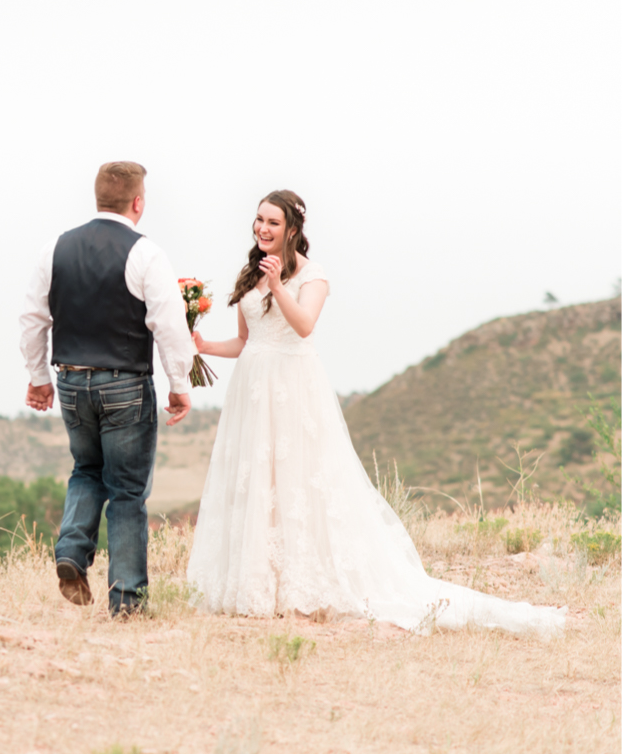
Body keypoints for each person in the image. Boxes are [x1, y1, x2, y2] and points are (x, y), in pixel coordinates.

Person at [188, 191, 564, 635]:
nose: (261, 229)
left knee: (297, 482)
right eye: (258, 220)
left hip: (293, 387)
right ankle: (257, 585)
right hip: (253, 389)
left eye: (272, 222)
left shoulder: (313, 276)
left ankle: (303, 590)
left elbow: (304, 325)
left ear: (292, 229)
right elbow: (248, 341)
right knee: (258, 482)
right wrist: (205, 346)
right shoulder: (251, 274)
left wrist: (276, 288)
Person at [19, 161, 197, 615]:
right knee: (127, 492)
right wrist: (180, 384)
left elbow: (34, 319)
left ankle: (72, 551)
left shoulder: (54, 249)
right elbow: (170, 326)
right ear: (138, 202)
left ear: (98, 198)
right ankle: (127, 600)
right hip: (126, 384)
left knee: (86, 469)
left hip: (72, 379)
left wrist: (39, 377)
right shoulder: (146, 254)